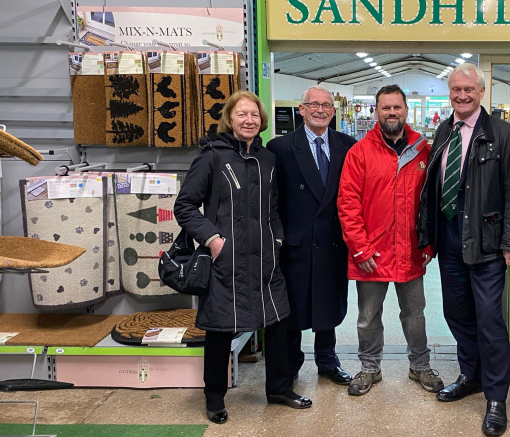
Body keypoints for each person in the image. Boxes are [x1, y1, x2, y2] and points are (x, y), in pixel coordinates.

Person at [174, 91, 311, 425]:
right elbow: (185, 205)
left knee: (277, 321)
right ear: (229, 119)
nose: (249, 120)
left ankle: (278, 387)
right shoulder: (212, 157)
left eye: (254, 115)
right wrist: (212, 238)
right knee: (220, 329)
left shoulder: (267, 159)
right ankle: (215, 397)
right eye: (241, 115)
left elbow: (274, 207)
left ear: (261, 121)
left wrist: (276, 237)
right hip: (226, 259)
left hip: (265, 257)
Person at [417, 63, 510, 437]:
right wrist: (428, 235)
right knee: (456, 312)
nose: (461, 96)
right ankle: (472, 374)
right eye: (455, 90)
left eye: (469, 89)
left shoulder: (502, 133)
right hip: (449, 238)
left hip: (486, 242)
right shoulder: (444, 129)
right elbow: (434, 185)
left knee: (489, 321)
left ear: (482, 92)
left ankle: (496, 397)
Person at [338, 84, 444, 397]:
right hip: (371, 254)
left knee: (415, 313)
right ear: (377, 111)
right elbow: (347, 203)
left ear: (406, 110)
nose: (392, 113)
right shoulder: (360, 153)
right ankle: (370, 368)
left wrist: (427, 243)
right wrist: (360, 248)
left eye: (397, 107)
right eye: (386, 108)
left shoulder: (423, 151)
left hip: (410, 251)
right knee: (368, 317)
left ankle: (420, 365)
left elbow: (431, 203)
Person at [267, 85, 355, 386]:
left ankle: (327, 360)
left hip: (333, 242)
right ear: (301, 109)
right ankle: (291, 364)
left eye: (326, 105)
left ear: (333, 111)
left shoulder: (348, 145)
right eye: (313, 104)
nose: (320, 110)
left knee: (328, 303)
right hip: (295, 243)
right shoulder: (280, 148)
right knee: (293, 307)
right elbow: (272, 200)